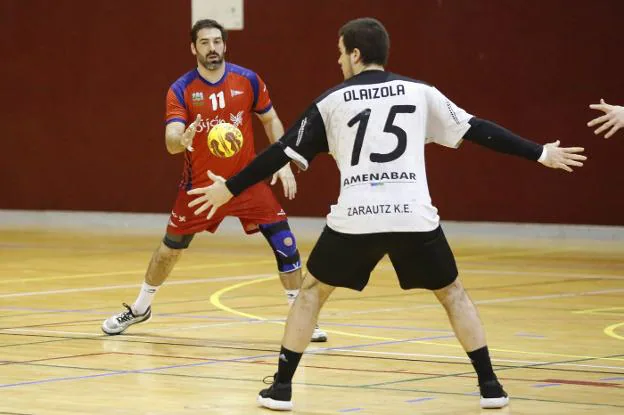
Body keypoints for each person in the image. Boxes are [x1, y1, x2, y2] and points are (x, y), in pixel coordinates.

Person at [186, 18, 586, 411]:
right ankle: (490, 385)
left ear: (356, 54)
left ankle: (282, 389)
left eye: (341, 54)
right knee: (453, 294)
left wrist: (228, 188)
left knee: (310, 292)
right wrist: (541, 153)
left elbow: (278, 153)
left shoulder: (332, 100)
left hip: (357, 217)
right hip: (412, 215)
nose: (339, 62)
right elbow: (478, 129)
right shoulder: (419, 92)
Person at [101, 19, 327, 343]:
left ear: (225, 45)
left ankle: (302, 319)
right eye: (204, 43)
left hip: (246, 182)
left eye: (217, 42)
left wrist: (284, 162)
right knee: (169, 251)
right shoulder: (181, 89)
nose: (212, 48)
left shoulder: (248, 80)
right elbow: (170, 139)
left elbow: (271, 119)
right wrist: (182, 139)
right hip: (202, 188)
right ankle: (140, 308)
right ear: (193, 48)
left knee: (286, 244)